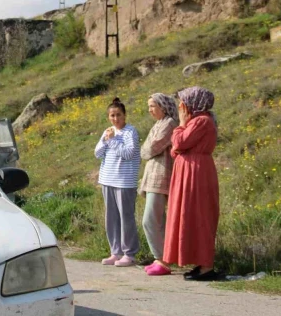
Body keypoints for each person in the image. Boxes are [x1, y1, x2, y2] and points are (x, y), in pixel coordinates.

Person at [147, 86, 220, 281]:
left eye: (184, 102)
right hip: (188, 171)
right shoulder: (196, 121)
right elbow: (176, 149)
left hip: (195, 172)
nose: (181, 106)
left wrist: (180, 124)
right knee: (187, 215)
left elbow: (178, 144)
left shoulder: (201, 121)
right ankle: (199, 262)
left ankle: (206, 266)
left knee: (199, 216)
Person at [94, 97, 141, 267]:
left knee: (126, 218)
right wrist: (107, 139)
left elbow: (128, 154)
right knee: (111, 217)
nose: (115, 119)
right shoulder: (108, 131)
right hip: (107, 179)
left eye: (118, 115)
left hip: (124, 181)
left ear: (125, 115)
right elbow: (98, 153)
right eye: (112, 115)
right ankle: (116, 252)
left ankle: (129, 253)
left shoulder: (131, 132)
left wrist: (112, 141)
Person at [138, 93, 178, 275]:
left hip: (161, 176)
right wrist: (146, 149)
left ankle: (162, 258)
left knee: (150, 220)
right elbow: (145, 149)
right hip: (153, 176)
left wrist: (146, 149)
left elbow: (151, 148)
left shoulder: (169, 123)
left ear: (163, 106)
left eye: (153, 106)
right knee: (157, 220)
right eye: (149, 107)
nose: (150, 110)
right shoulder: (158, 124)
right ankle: (161, 259)